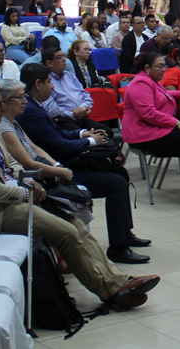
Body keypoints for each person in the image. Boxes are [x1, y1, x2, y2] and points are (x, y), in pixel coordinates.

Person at [0, 82, 158, 307]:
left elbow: (11, 165)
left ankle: (117, 280)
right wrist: (24, 193)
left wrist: (30, 183)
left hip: (15, 198)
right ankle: (110, 291)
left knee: (76, 225)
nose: (2, 107)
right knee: (66, 233)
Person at [12, 69, 148, 264]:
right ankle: (118, 248)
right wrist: (91, 142)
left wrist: (82, 134)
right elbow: (59, 146)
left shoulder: (35, 106)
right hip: (59, 171)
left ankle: (125, 234)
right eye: (49, 81)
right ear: (38, 84)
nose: (52, 86)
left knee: (120, 172)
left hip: (62, 160)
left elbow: (58, 133)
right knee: (115, 182)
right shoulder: (31, 112)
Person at [122, 52, 180, 207]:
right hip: (144, 134)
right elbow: (148, 113)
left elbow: (164, 94)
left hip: (159, 128)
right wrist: (176, 123)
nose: (163, 69)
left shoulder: (152, 81)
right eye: (159, 66)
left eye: (164, 65)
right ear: (147, 68)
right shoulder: (140, 84)